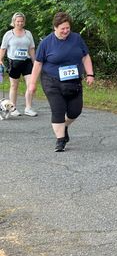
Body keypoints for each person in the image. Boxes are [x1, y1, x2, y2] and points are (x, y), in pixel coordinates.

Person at [28, 12, 95, 152]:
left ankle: (64, 127)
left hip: (73, 81)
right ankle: (60, 140)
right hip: (51, 81)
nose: (65, 31)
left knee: (75, 111)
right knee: (58, 110)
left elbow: (85, 57)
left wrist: (90, 74)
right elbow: (38, 63)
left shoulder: (76, 39)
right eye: (62, 29)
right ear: (55, 28)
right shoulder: (46, 42)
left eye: (67, 28)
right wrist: (32, 84)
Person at [0, 12, 38, 117]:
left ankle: (28, 108)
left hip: (26, 62)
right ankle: (13, 108)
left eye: (21, 21)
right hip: (14, 62)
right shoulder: (8, 34)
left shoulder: (28, 33)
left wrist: (35, 62)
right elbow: (3, 48)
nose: (20, 23)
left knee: (30, 85)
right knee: (14, 86)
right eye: (18, 21)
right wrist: (0, 59)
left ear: (24, 22)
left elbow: (31, 49)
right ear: (14, 22)